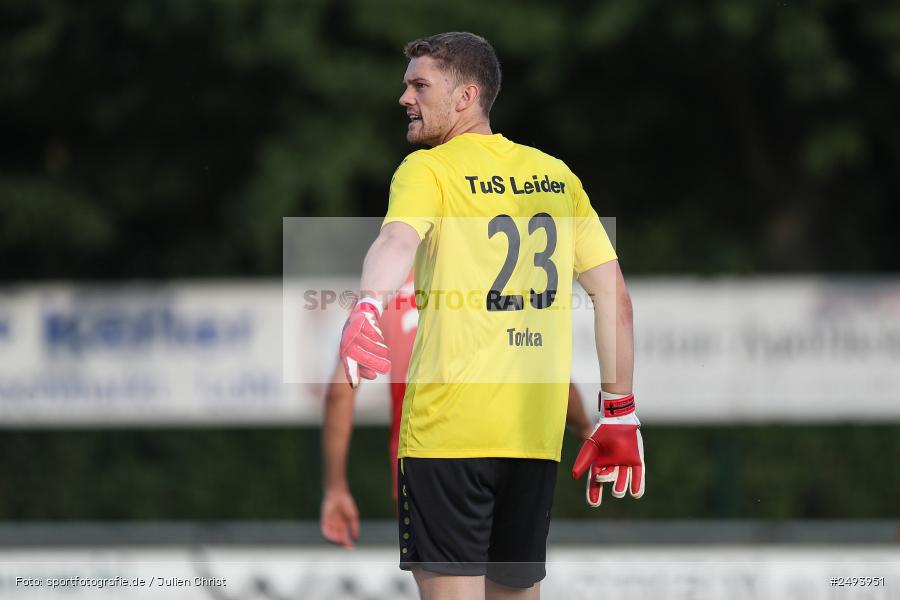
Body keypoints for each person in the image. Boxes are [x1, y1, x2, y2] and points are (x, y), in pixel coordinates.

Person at [337, 32, 644, 600]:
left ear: (466, 96)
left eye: (419, 85)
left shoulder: (428, 170)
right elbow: (615, 299)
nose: (404, 97)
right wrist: (619, 411)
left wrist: (369, 305)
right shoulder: (557, 176)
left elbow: (396, 242)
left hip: (447, 436)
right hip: (532, 439)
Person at [320, 272, 594, 548]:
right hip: (503, 456)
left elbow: (339, 393)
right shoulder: (489, 273)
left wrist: (336, 488)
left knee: (441, 576)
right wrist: (585, 429)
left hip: (421, 465)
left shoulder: (382, 287)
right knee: (508, 573)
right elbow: (547, 373)